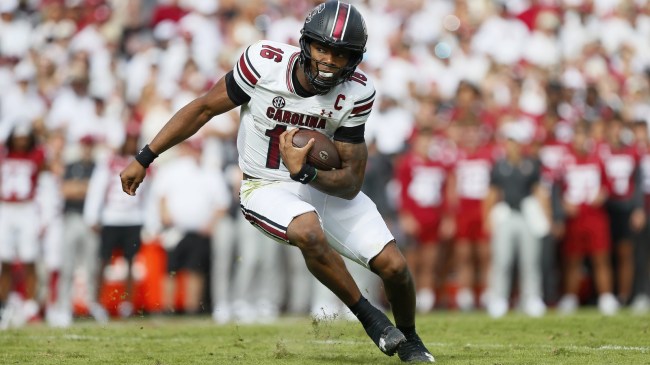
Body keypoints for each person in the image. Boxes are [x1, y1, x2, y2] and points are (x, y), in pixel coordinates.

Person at [119, 2, 434, 362]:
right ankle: (372, 319)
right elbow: (205, 108)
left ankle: (410, 339)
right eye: (323, 48)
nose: (330, 60)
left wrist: (307, 172)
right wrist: (146, 157)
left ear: (355, 59)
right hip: (264, 185)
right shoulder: (264, 64)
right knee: (308, 231)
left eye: (341, 53)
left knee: (394, 265)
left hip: (317, 184)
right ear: (306, 44)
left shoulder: (358, 92)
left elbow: (350, 182)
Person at [85, 124, 150, 319]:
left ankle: (127, 303)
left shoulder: (141, 162)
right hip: (111, 217)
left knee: (131, 263)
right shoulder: (109, 161)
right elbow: (98, 188)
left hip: (133, 217)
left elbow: (148, 194)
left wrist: (149, 220)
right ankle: (96, 303)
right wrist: (93, 215)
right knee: (103, 261)